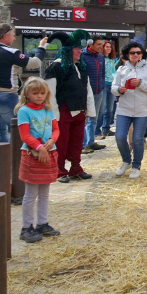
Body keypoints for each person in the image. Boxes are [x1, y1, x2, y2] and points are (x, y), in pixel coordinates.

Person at [0, 24, 48, 179]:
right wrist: (41, 47)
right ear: (5, 36)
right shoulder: (10, 51)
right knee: (17, 130)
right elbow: (34, 63)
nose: (14, 38)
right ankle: (17, 166)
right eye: (12, 35)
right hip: (5, 95)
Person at [44, 30, 96, 183]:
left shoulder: (80, 67)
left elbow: (88, 90)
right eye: (76, 48)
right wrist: (54, 115)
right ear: (67, 51)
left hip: (79, 110)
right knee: (61, 142)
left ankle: (75, 168)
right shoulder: (55, 67)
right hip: (62, 112)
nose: (80, 51)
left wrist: (89, 110)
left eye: (80, 48)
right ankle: (59, 170)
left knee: (76, 142)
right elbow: (49, 93)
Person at [15, 77, 61, 243]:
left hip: (49, 151)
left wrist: (52, 141)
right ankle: (27, 227)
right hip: (33, 153)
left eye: (42, 93)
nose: (39, 96)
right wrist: (39, 147)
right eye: (35, 93)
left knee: (44, 192)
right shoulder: (24, 111)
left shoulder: (48, 109)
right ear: (27, 94)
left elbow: (56, 129)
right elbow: (25, 135)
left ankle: (42, 223)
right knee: (31, 193)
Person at [112, 41, 147, 179]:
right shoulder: (121, 70)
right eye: (132, 53)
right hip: (124, 108)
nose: (135, 55)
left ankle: (136, 165)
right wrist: (119, 90)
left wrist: (140, 83)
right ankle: (126, 160)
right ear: (127, 54)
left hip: (142, 109)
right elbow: (113, 88)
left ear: (142, 54)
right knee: (120, 137)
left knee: (138, 139)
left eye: (138, 53)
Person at [81, 39, 106, 153]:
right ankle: (83, 144)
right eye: (98, 44)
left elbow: (102, 73)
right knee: (85, 119)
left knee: (94, 118)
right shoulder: (82, 55)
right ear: (90, 44)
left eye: (102, 44)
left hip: (98, 91)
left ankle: (91, 142)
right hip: (86, 92)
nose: (101, 46)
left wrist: (101, 86)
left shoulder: (100, 57)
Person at [98, 41, 117, 139]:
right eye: (107, 47)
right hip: (103, 84)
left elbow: (113, 71)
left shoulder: (111, 59)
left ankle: (106, 128)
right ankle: (97, 130)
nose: (109, 48)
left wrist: (114, 80)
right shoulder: (100, 58)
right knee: (102, 109)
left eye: (110, 47)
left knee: (110, 109)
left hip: (111, 84)